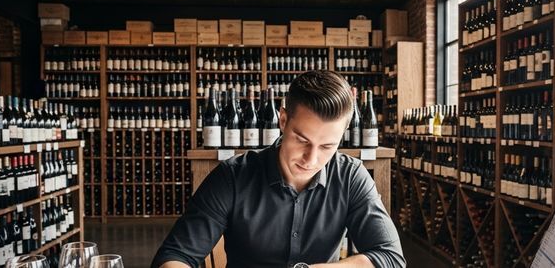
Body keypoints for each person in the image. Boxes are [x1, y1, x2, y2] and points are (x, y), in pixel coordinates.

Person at [151, 70, 405, 268]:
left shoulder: (351, 177)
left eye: (328, 146)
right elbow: (176, 254)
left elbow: (391, 258)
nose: (311, 159)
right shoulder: (232, 177)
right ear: (282, 120)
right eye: (302, 140)